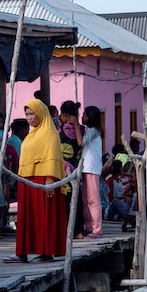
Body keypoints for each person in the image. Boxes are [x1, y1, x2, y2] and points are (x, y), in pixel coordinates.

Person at [4, 99, 67, 263]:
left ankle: (46, 252)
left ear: (41, 113)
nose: (29, 117)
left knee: (43, 216)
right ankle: (22, 252)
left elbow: (52, 156)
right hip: (28, 181)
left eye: (32, 113)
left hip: (43, 179)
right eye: (27, 114)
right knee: (27, 216)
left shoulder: (50, 133)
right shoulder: (32, 134)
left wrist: (50, 180)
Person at [58, 101, 84, 240]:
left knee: (66, 201)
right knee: (77, 200)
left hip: (64, 170)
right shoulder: (82, 129)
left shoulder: (61, 131)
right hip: (77, 169)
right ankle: (78, 231)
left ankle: (67, 230)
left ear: (65, 114)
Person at [79, 105, 104, 238]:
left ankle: (96, 228)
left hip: (92, 168)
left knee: (93, 200)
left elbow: (82, 142)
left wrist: (76, 127)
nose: (82, 117)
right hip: (87, 168)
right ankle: (89, 227)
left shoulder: (94, 131)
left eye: (84, 115)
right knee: (86, 199)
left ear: (90, 117)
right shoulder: (90, 130)